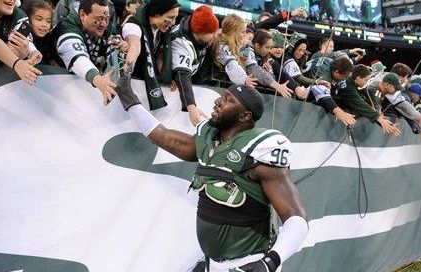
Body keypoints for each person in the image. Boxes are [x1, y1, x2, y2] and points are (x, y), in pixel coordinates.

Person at [114, 67, 309, 272]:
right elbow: (164, 136)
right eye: (223, 96)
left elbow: (296, 217)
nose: (218, 102)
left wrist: (270, 262)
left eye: (228, 100)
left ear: (244, 116)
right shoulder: (209, 139)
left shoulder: (259, 151)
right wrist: (130, 100)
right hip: (211, 262)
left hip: (248, 264)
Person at [55, 0, 128, 104]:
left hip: (85, 96)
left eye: (106, 18)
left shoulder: (106, 27)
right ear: (83, 15)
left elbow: (116, 53)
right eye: (99, 19)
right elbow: (78, 57)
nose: (104, 24)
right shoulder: (66, 27)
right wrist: (97, 79)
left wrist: (123, 48)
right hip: (58, 94)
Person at [122, 0, 180, 110]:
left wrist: (165, 77)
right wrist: (125, 77)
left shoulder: (162, 30)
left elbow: (159, 54)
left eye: (175, 18)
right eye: (170, 17)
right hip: (133, 82)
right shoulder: (132, 25)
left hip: (143, 85)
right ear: (157, 14)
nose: (173, 22)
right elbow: (135, 47)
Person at [168, 5, 218, 126]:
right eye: (212, 32)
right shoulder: (179, 40)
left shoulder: (201, 40)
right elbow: (182, 74)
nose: (215, 36)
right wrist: (191, 107)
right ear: (200, 33)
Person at [329, 61, 399, 134]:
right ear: (358, 78)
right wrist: (380, 120)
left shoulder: (352, 85)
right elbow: (361, 104)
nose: (366, 82)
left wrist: (381, 120)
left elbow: (364, 104)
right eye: (366, 79)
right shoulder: (347, 86)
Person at [240, 29, 293, 99]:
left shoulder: (259, 55)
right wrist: (277, 86)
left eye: (270, 47)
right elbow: (255, 71)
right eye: (267, 47)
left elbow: (267, 76)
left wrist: (268, 72)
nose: (269, 51)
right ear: (257, 46)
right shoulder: (247, 51)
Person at [211, 14, 257, 87]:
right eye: (243, 32)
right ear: (233, 32)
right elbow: (232, 65)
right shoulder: (222, 47)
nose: (245, 35)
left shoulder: (231, 46)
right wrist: (244, 79)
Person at [20, 0, 61, 66]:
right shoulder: (22, 35)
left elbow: (54, 58)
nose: (44, 25)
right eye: (39, 19)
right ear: (28, 19)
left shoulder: (49, 39)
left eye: (48, 21)